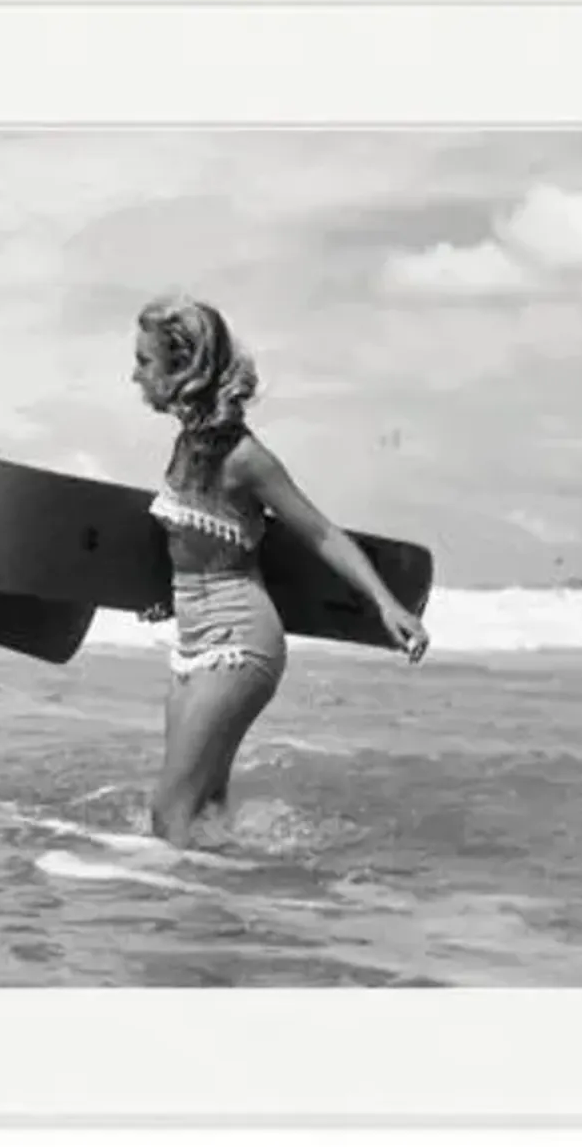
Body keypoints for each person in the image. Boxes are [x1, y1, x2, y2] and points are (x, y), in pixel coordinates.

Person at [130, 294, 430, 847]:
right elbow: (193, 550)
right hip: (192, 641)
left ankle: (166, 924)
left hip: (240, 644)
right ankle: (228, 920)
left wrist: (388, 603)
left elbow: (319, 532)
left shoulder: (244, 458)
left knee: (167, 813)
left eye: (145, 362)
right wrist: (162, 597)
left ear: (183, 367)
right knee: (203, 814)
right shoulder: (185, 445)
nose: (134, 375)